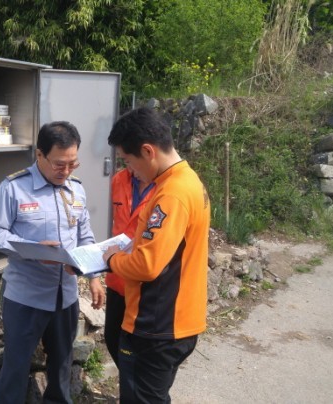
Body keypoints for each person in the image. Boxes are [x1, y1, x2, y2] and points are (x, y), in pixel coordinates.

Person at [0, 121, 106, 404]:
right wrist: (33, 250)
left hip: (66, 296)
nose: (66, 171)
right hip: (26, 296)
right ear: (40, 155)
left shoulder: (76, 189)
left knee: (62, 364)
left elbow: (85, 236)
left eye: (73, 164)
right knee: (16, 366)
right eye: (59, 164)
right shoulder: (14, 188)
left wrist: (94, 276)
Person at [102, 107, 210, 403]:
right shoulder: (188, 181)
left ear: (148, 151)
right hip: (175, 320)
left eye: (128, 160)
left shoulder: (171, 194)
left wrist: (111, 259)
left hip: (156, 325)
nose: (129, 170)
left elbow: (147, 265)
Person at [105, 165, 155, 366]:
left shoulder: (164, 187)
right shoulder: (119, 180)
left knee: (138, 349)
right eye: (126, 160)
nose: (130, 166)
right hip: (116, 278)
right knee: (112, 339)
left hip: (144, 283)